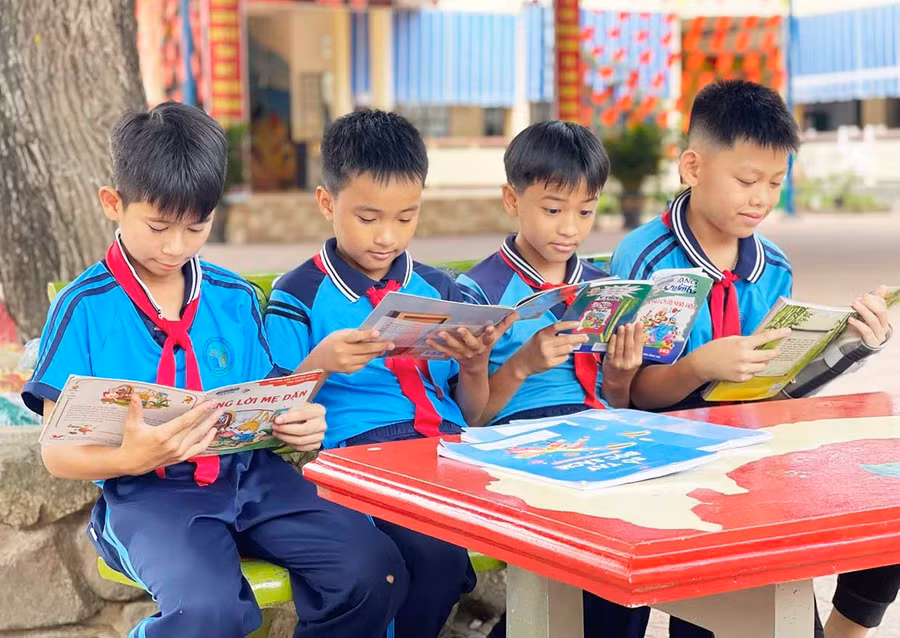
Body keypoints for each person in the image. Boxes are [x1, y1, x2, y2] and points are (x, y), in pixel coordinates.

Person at [23, 102, 407, 638]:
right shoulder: (84, 307)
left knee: (374, 569)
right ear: (114, 203)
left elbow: (273, 398)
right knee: (208, 611)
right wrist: (130, 456)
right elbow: (56, 451)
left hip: (254, 478)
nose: (175, 247)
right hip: (152, 496)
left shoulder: (234, 296)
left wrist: (298, 422)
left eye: (196, 227)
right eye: (158, 226)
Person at [604, 79, 895, 638]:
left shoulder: (774, 265)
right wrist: (700, 366)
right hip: (672, 453)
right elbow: (631, 394)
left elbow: (784, 385)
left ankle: (845, 629)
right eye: (746, 180)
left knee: (887, 492)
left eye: (776, 183)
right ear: (693, 167)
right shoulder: (647, 255)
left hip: (756, 444)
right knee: (741, 612)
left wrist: (853, 344)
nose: (761, 197)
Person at [264, 109, 511, 638]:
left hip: (450, 450)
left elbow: (471, 410)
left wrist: (474, 365)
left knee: (542, 528)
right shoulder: (299, 294)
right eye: (368, 217)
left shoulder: (442, 288)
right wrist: (320, 363)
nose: (387, 236)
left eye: (406, 217)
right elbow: (275, 407)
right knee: (433, 554)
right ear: (327, 203)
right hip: (363, 458)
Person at [456, 120, 644, 638]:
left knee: (633, 557)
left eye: (586, 211)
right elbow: (472, 416)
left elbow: (613, 399)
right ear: (512, 200)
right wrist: (520, 366)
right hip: (516, 437)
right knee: (594, 550)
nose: (570, 228)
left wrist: (624, 374)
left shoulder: (604, 286)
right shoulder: (481, 290)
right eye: (553, 209)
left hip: (597, 430)